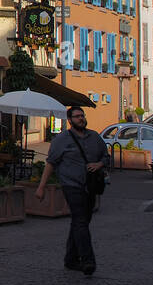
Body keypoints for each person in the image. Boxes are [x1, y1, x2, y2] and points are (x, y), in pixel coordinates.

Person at [37, 105, 107, 276]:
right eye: (77, 116)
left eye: (82, 115)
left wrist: (99, 164)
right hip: (72, 185)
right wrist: (41, 187)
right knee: (81, 220)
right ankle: (88, 260)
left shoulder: (94, 137)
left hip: (90, 186)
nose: (81, 118)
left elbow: (105, 156)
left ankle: (70, 259)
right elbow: (51, 163)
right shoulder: (62, 140)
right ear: (69, 120)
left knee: (81, 221)